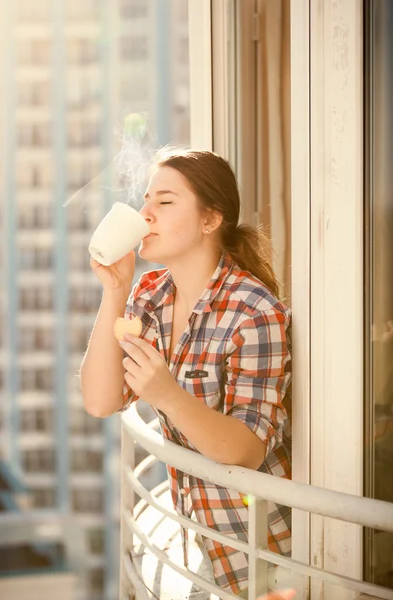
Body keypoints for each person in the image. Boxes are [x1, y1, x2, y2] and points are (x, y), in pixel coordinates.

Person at [80, 148, 292, 598]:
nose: (145, 213)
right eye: (146, 199)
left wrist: (168, 396)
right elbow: (100, 401)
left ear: (210, 220)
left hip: (265, 550)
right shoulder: (151, 293)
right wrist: (114, 292)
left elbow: (247, 451)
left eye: (165, 201)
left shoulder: (255, 313)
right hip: (198, 539)